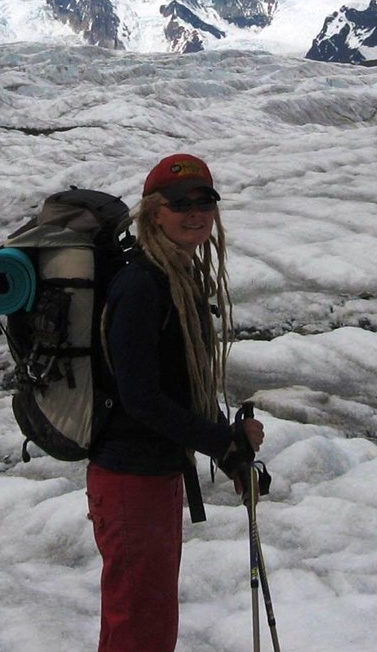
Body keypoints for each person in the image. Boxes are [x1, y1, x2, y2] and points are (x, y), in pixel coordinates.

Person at [87, 152, 265, 652]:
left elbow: (179, 386)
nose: (195, 212)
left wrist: (227, 445)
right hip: (129, 479)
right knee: (139, 624)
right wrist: (219, 439)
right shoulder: (141, 285)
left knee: (146, 619)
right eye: (179, 202)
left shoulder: (177, 279)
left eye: (205, 200)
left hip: (153, 474)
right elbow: (141, 398)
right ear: (153, 213)